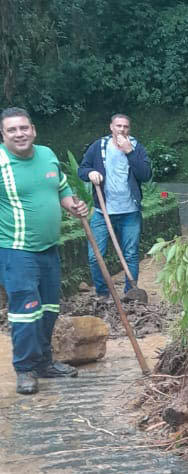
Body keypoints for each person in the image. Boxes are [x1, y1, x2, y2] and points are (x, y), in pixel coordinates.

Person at [0, 107, 89, 395]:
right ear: (3, 135)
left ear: (33, 130)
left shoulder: (47, 154)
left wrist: (74, 206)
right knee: (26, 312)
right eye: (12, 130)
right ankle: (25, 369)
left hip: (49, 249)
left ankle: (43, 363)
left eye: (23, 128)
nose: (19, 133)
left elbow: (61, 189)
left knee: (49, 309)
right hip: (17, 250)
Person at [78, 113, 152, 298]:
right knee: (95, 256)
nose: (122, 129)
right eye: (118, 126)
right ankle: (103, 294)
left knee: (131, 254)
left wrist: (130, 152)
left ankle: (130, 294)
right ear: (111, 127)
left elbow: (145, 175)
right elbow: (82, 169)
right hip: (103, 212)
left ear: (129, 129)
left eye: (125, 127)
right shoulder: (98, 147)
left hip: (130, 213)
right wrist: (91, 173)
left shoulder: (136, 148)